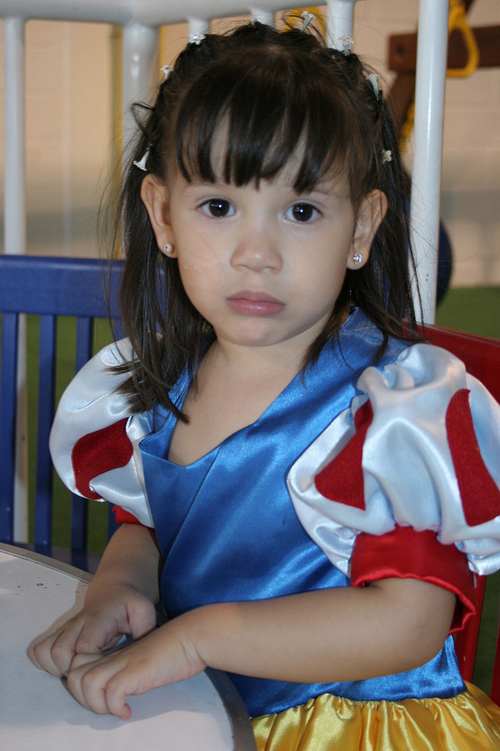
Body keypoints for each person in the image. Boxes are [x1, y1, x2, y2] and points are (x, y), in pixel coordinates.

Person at [29, 20, 500, 750]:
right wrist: (121, 586)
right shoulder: (156, 385)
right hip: (199, 708)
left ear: (361, 229)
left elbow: (410, 623)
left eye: (302, 211)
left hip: (356, 726)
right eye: (219, 207)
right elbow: (148, 525)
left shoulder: (391, 409)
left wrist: (199, 636)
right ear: (163, 216)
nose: (257, 254)